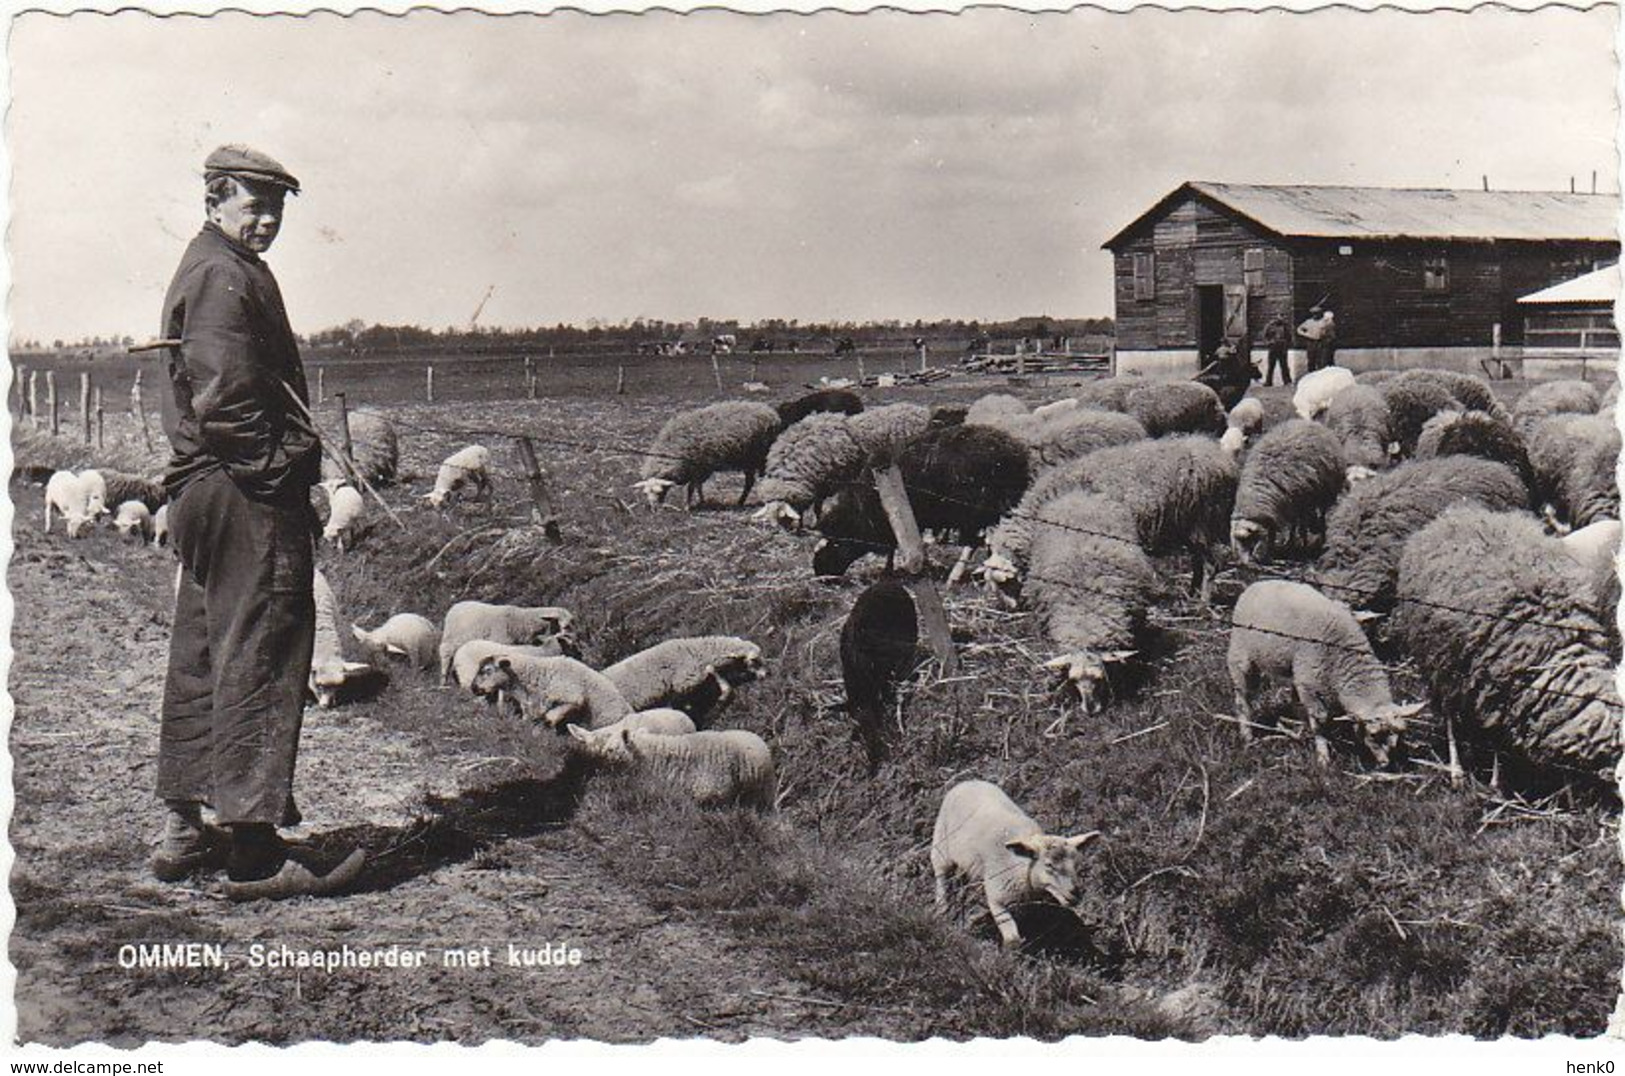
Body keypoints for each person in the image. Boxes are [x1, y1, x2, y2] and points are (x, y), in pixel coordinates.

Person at [150, 144, 364, 901]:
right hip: (244, 489)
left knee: (207, 648)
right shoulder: (222, 274)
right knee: (264, 650)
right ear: (214, 200)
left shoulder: (213, 263)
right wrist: (288, 469)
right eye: (253, 205)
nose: (267, 221)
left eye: (276, 209)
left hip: (205, 488)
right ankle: (255, 854)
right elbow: (228, 398)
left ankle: (185, 829)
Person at [1262, 315, 1292, 386]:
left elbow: (1289, 337)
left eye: (1282, 318)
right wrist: (1268, 343)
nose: (1280, 320)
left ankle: (1287, 381)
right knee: (1271, 366)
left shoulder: (1285, 326)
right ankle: (1268, 381)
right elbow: (1264, 337)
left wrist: (1287, 345)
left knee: (1284, 365)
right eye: (1279, 318)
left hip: (1282, 347)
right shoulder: (1269, 326)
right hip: (1273, 347)